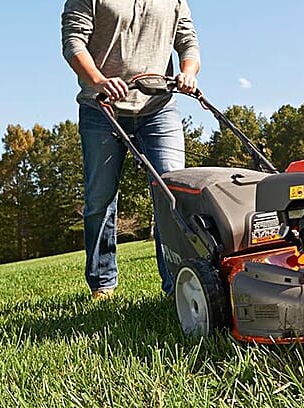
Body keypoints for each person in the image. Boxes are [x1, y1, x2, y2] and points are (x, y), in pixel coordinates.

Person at [62, 0, 200, 299]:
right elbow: (73, 43)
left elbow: (188, 42)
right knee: (100, 197)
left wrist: (188, 72)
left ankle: (176, 283)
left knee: (172, 192)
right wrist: (98, 80)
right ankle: (103, 283)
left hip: (158, 107)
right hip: (102, 108)